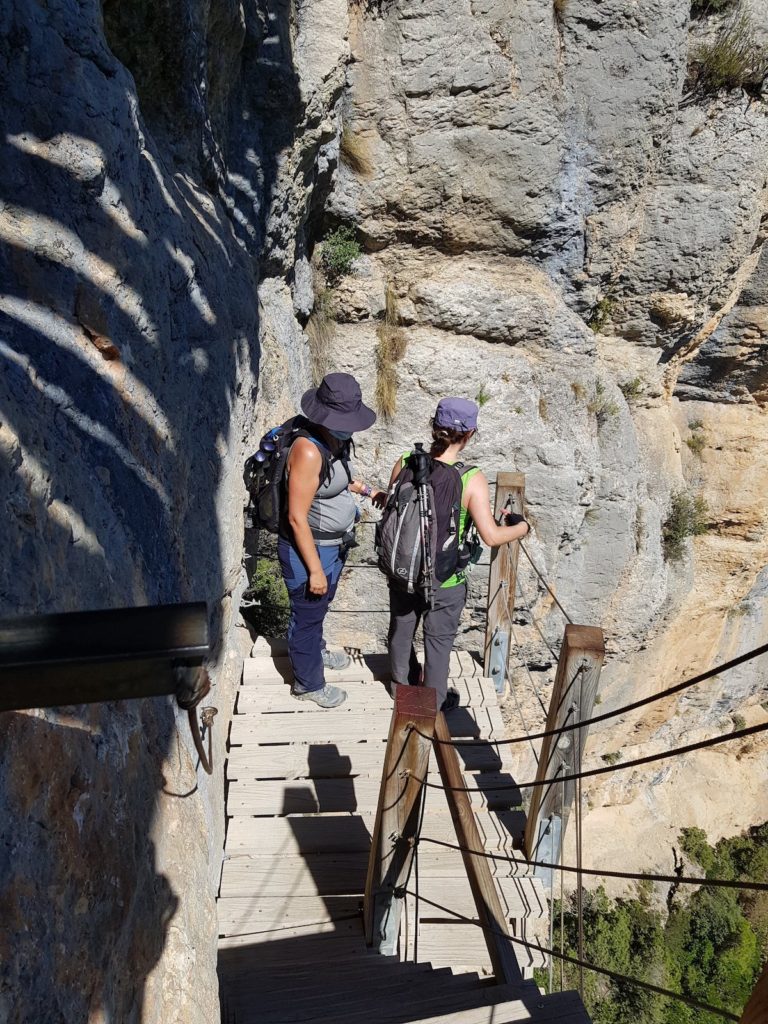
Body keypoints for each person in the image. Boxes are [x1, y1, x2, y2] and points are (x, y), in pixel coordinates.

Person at [386, 397, 529, 712]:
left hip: (403, 569)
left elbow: (394, 513)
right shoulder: (470, 477)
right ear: (470, 434)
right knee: (437, 645)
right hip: (445, 579)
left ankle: (401, 690)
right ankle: (430, 708)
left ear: (434, 425)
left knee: (401, 630)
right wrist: (521, 529)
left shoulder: (407, 460)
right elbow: (491, 536)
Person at [278, 372, 385, 708]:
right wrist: (315, 570)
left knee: (318, 610)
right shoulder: (309, 451)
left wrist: (369, 491)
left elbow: (338, 480)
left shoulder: (333, 441)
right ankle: (308, 684)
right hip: (309, 551)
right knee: (307, 616)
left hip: (332, 547)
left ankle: (316, 653)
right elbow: (296, 517)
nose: (349, 427)